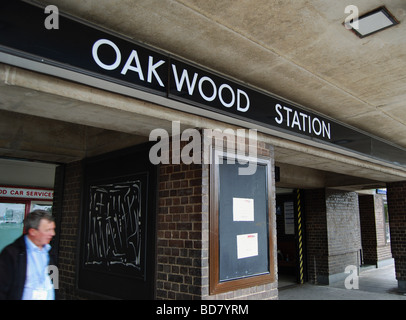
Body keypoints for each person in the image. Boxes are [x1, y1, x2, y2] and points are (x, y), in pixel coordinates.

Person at [0, 210, 57, 300]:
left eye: (53, 229)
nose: (53, 233)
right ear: (33, 231)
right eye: (48, 230)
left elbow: (54, 282)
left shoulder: (50, 252)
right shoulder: (12, 253)